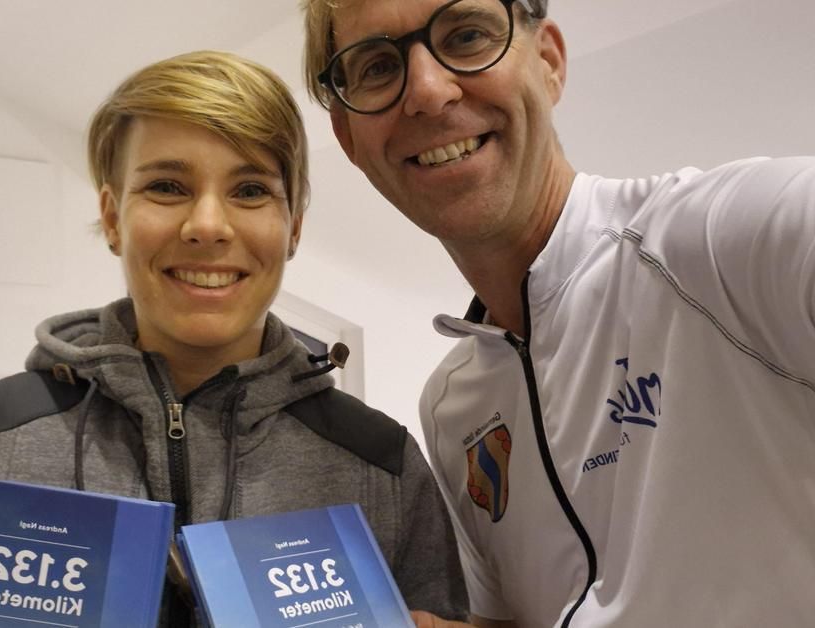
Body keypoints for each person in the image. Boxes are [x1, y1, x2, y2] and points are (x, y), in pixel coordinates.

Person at [0, 50, 468, 626]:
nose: (208, 224)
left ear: (293, 224)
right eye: (168, 186)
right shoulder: (4, 429)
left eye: (252, 190)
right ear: (113, 217)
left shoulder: (381, 466)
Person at [302, 0, 815, 626]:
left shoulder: (729, 238)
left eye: (465, 34)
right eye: (377, 66)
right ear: (350, 139)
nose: (429, 92)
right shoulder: (449, 405)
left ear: (548, 61)